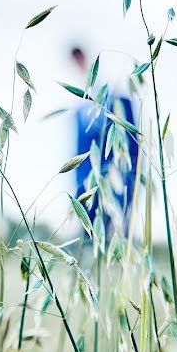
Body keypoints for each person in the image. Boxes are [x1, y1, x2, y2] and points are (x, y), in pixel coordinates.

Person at [70, 46, 140, 239]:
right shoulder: (79, 105)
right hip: (88, 177)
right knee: (90, 229)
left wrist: (130, 171)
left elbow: (130, 142)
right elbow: (79, 148)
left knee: (119, 226)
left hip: (116, 174)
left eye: (79, 59)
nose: (78, 64)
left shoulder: (112, 97)